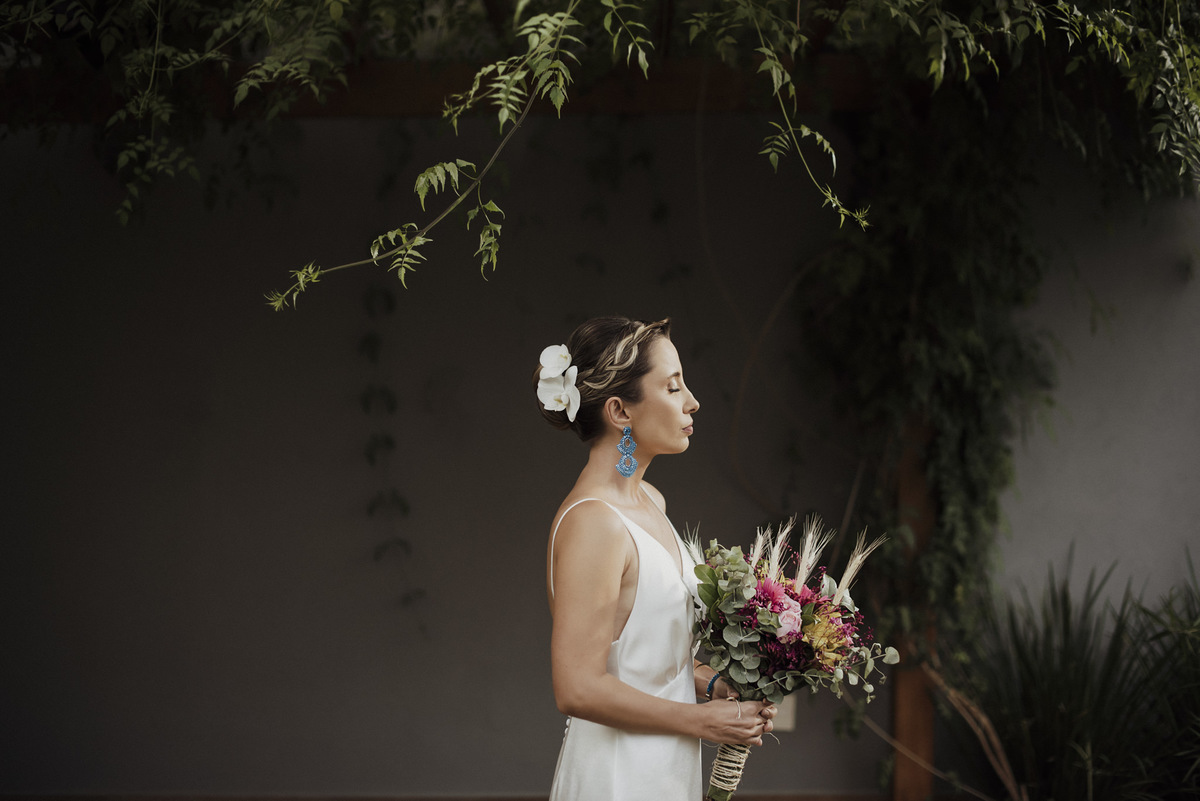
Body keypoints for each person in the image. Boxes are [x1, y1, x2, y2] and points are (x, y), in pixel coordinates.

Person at [536, 316, 776, 801]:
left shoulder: (651, 501)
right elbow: (577, 687)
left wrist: (713, 687)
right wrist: (700, 722)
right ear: (620, 411)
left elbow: (649, 661)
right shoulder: (594, 523)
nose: (692, 401)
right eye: (673, 387)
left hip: (667, 769)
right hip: (616, 776)